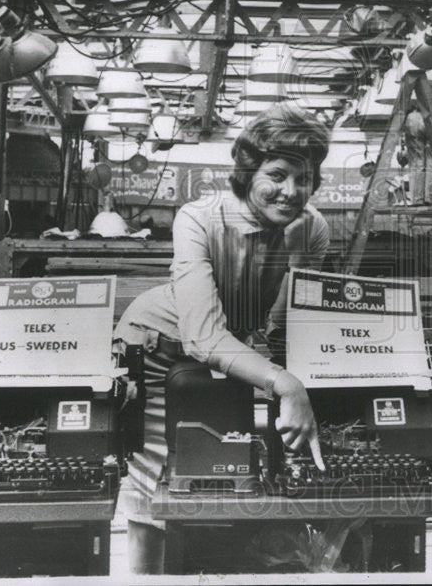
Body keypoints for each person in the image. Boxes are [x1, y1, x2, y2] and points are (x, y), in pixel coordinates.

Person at [113, 103, 331, 573]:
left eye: (305, 178)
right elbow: (202, 336)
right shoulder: (199, 219)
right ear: (248, 171)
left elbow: (292, 320)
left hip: (233, 346)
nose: (291, 191)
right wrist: (287, 385)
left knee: (232, 469)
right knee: (162, 477)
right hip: (161, 347)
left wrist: (297, 376)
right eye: (277, 174)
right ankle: (145, 578)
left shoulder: (312, 229)